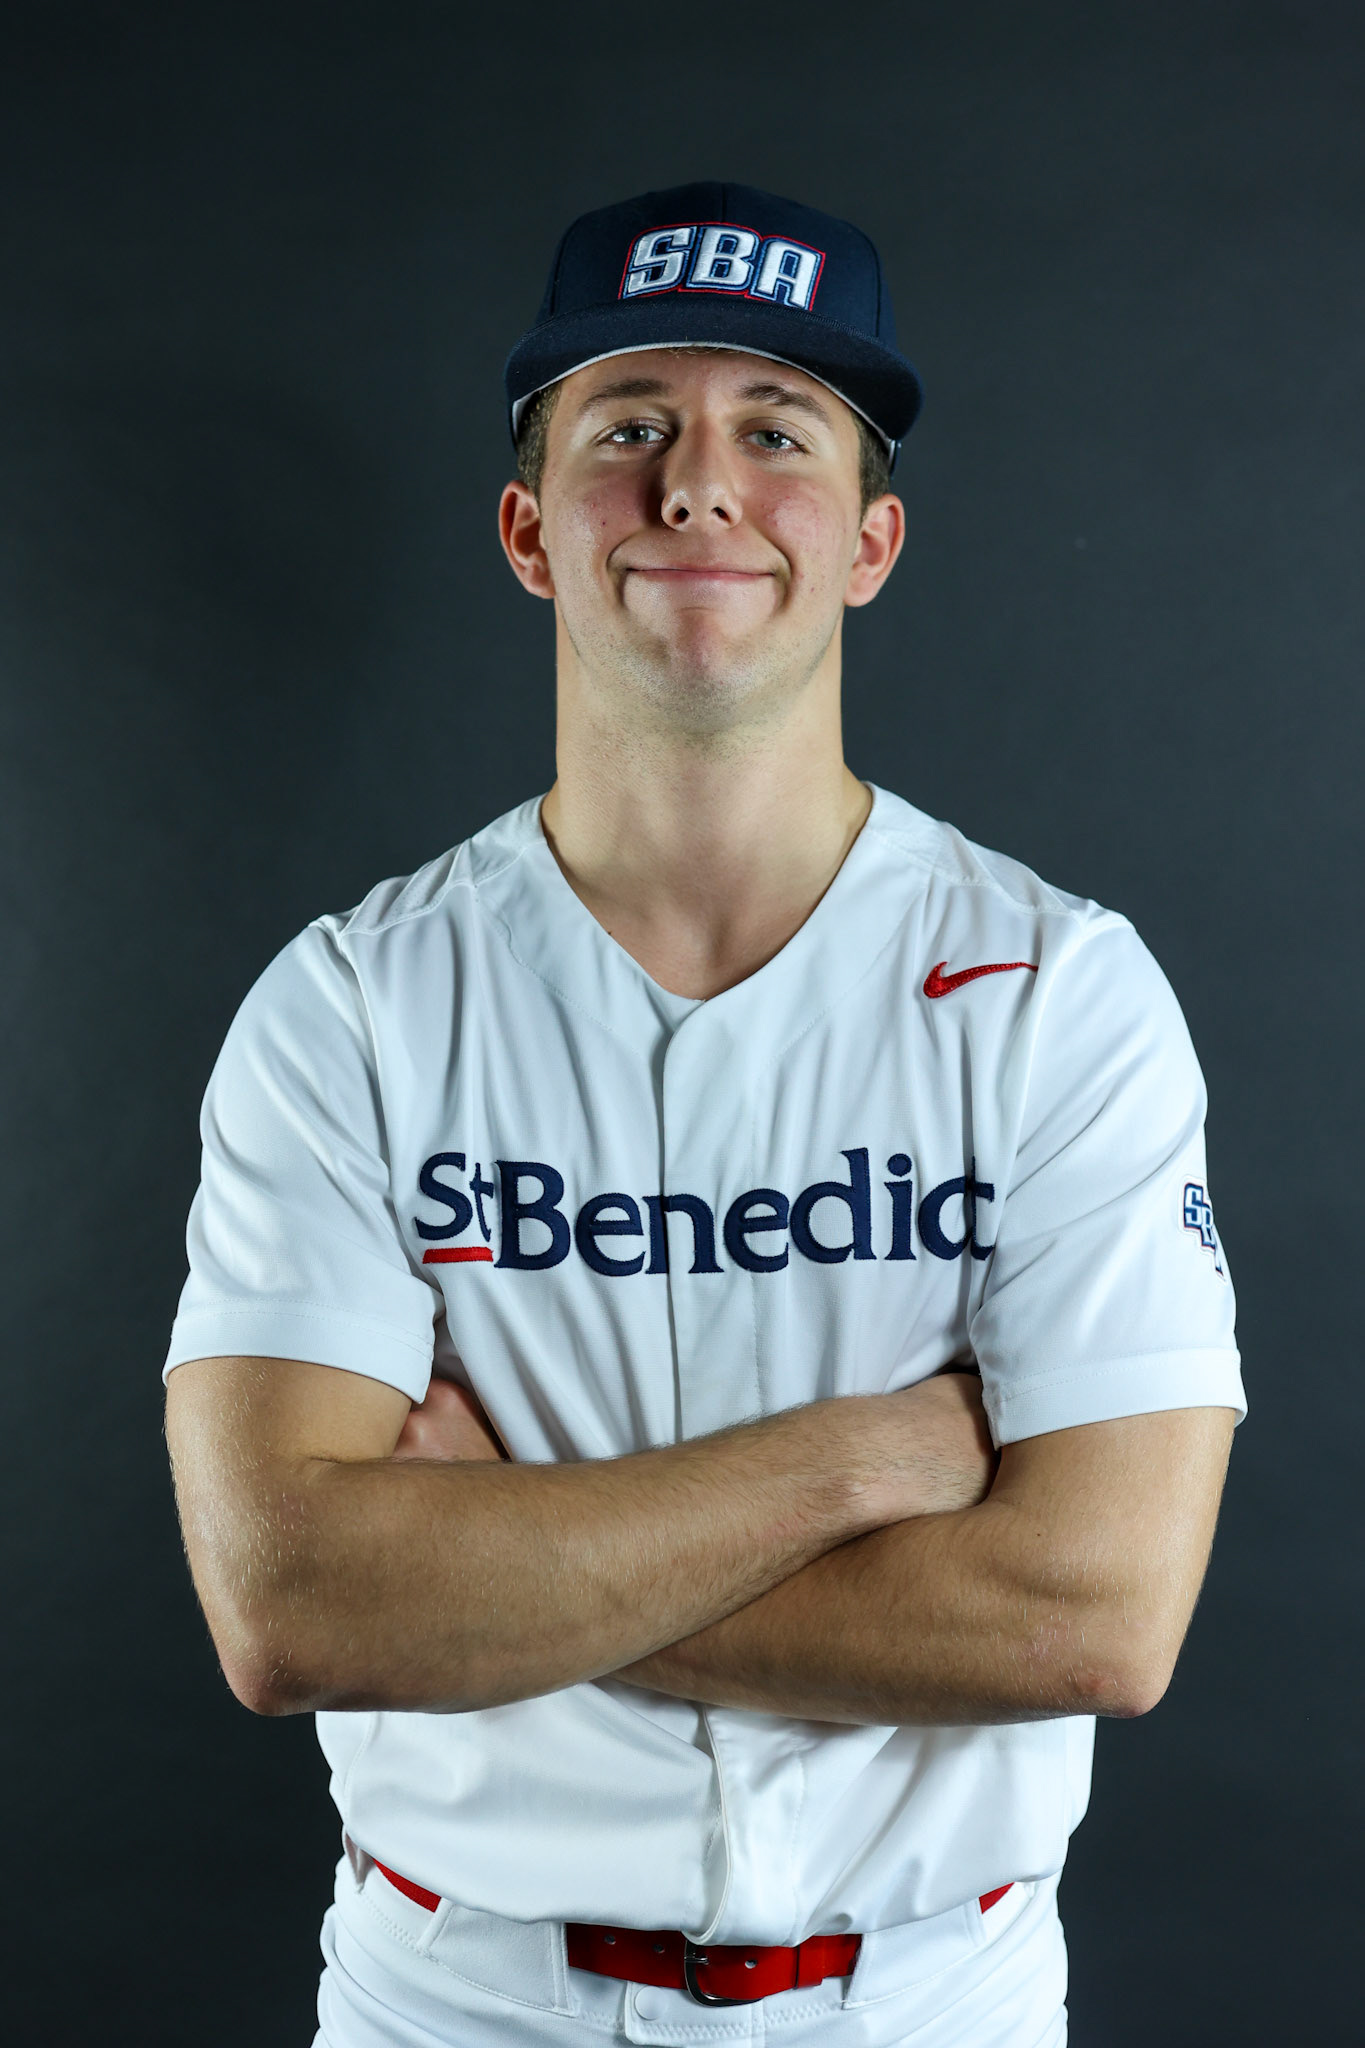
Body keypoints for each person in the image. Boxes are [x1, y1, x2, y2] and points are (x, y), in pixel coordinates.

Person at [162, 182, 1244, 2048]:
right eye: (628, 429)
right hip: (461, 2000)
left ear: (872, 540)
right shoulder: (350, 1004)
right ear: (526, 530)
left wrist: (495, 1559)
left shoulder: (1063, 991)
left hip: (931, 2001)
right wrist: (857, 1465)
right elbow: (291, 1610)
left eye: (777, 430)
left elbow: (1090, 1622)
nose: (696, 486)